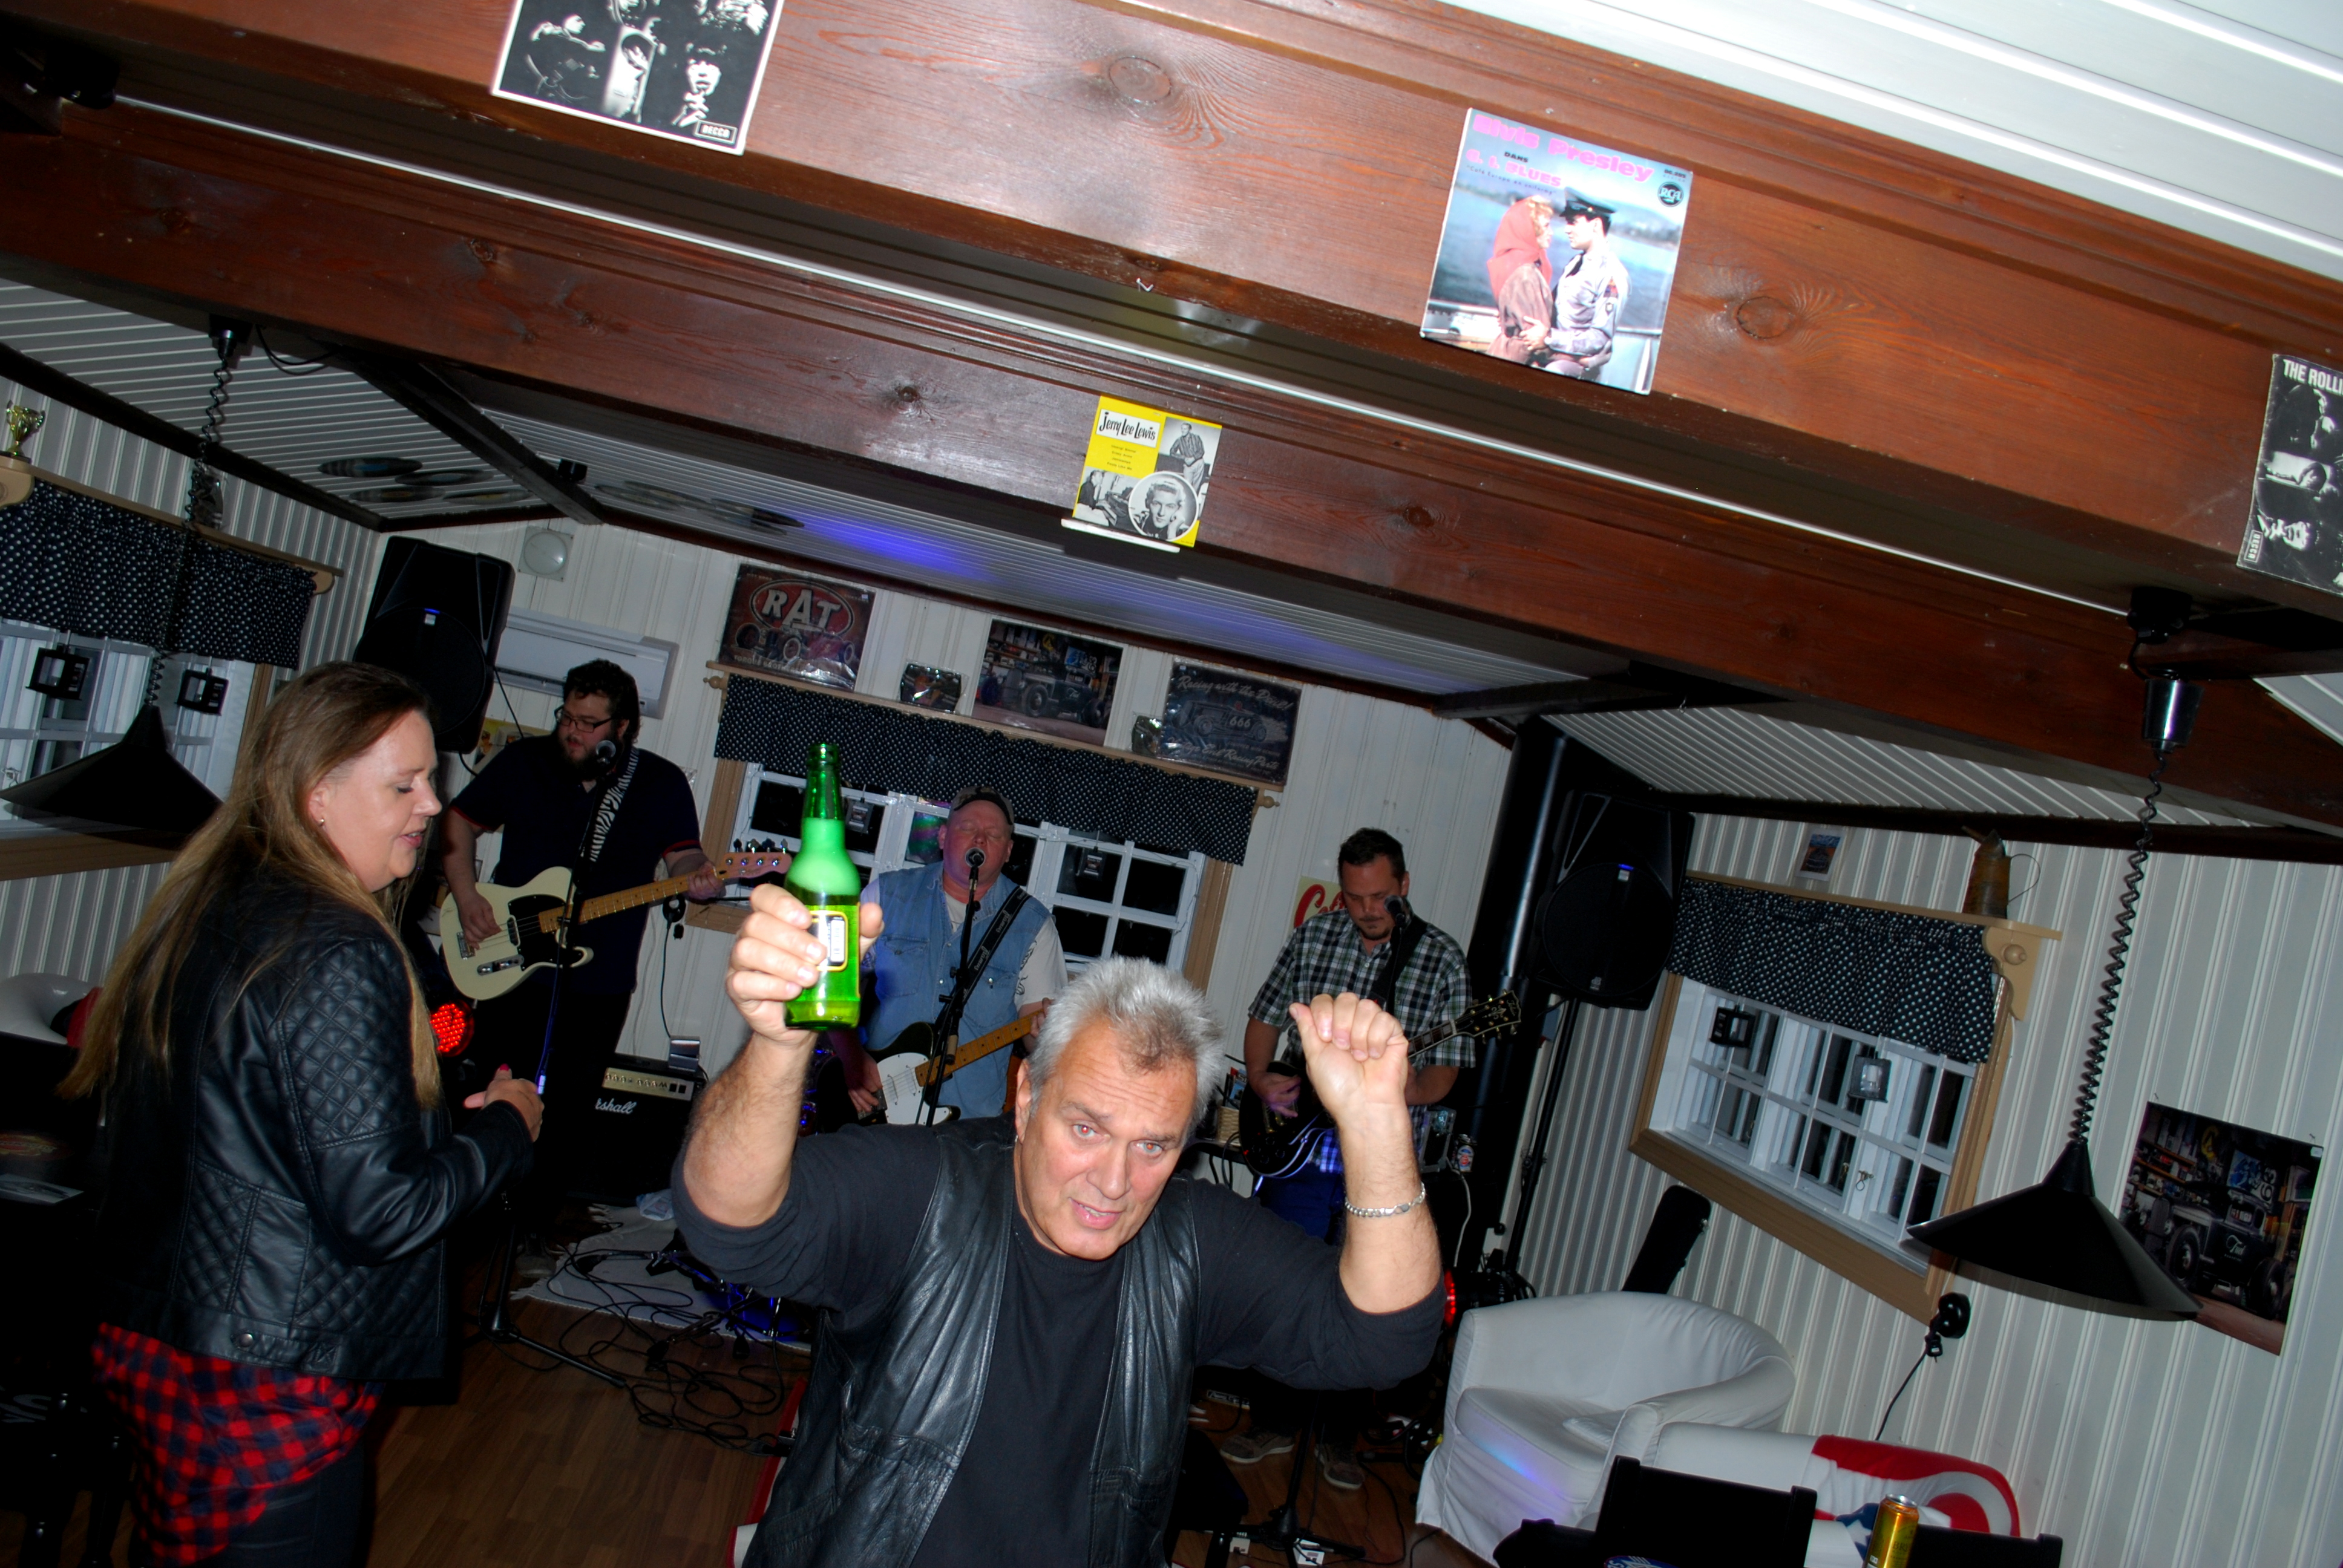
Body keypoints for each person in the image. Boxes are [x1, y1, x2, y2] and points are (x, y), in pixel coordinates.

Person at [677, 896, 1443, 1567]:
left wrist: (1375, 1122)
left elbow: (1386, 1340)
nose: (1113, 1181)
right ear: (1025, 1099)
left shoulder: (1192, 1243)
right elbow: (729, 1224)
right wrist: (779, 1044)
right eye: (1086, 1128)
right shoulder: (923, 1192)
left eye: (1153, 1146)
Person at [64, 662, 543, 1567]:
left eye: (432, 780)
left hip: (170, 1339)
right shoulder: (335, 946)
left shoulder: (210, 900)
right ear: (316, 795)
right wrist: (506, 1128)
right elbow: (382, 1211)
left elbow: (268, 1133)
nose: (432, 805)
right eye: (403, 784)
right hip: (263, 1378)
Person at [1225, 827, 1473, 1489]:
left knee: (1365, 1293)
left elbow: (1445, 1073)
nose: (1366, 910)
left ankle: (1337, 1438)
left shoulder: (1440, 958)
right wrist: (1260, 1077)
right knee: (1281, 1277)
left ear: (1403, 886)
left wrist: (1387, 1093)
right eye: (1354, 896)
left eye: (1379, 897)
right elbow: (1264, 1014)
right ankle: (1272, 1421)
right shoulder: (1315, 937)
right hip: (1300, 1149)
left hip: (1380, 1158)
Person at [441, 658, 719, 1211]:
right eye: (567, 717)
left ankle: (534, 1223)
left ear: (622, 728)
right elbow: (458, 821)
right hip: (511, 967)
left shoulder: (659, 784)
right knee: (483, 1090)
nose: (572, 731)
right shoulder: (525, 761)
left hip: (600, 981)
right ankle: (470, 1214)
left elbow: (684, 857)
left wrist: (700, 877)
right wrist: (468, 896)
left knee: (567, 1112)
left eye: (589, 723)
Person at [834, 788, 1064, 1120]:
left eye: (993, 834)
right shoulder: (887, 895)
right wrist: (851, 1058)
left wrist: (1045, 1037)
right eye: (967, 828)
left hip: (966, 1125)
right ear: (942, 837)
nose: (980, 839)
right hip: (873, 1109)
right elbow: (831, 984)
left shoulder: (1034, 926)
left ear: (1008, 851)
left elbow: (1036, 1038)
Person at [1548, 188, 1630, 379]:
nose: (1567, 229)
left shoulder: (1612, 275)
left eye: (1573, 222)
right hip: (1554, 350)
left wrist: (1549, 337)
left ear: (1595, 225)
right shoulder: (1576, 262)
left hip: (1576, 364)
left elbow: (1599, 338)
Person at [1484, 194, 1556, 366]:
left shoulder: (1509, 262)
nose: (1551, 232)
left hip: (1503, 350)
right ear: (1530, 230)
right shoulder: (1526, 275)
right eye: (1546, 226)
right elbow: (1534, 340)